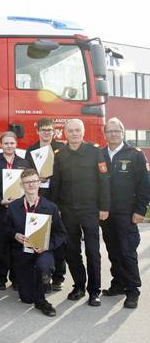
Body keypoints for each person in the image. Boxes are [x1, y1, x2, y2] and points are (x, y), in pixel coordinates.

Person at [50, 119, 110, 306]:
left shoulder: (95, 152)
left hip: (90, 210)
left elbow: (104, 181)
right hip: (68, 210)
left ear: (83, 132)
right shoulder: (60, 155)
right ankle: (79, 286)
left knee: (93, 252)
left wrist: (104, 207)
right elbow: (56, 184)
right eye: (70, 131)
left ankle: (94, 291)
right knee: (72, 251)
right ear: (65, 133)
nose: (74, 133)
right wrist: (55, 209)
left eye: (77, 130)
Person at [100, 118, 150, 309]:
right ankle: (118, 284)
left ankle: (132, 290)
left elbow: (144, 184)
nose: (113, 134)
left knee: (127, 252)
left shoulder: (135, 154)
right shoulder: (100, 154)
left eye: (116, 131)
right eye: (109, 131)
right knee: (113, 251)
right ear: (105, 134)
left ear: (122, 133)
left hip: (127, 213)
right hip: (107, 213)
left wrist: (140, 210)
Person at [5, 169, 67, 317]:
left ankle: (43, 300)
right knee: (26, 299)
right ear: (22, 185)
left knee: (43, 267)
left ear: (39, 183)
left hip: (43, 251)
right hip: (22, 253)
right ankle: (38, 283)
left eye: (34, 181)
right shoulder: (13, 207)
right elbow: (5, 228)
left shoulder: (51, 207)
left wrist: (47, 246)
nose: (31, 185)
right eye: (27, 182)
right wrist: (15, 235)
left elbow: (61, 234)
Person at [24, 117, 66, 292]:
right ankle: (42, 275)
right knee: (36, 236)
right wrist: (37, 177)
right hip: (37, 199)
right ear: (38, 131)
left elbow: (65, 173)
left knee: (57, 239)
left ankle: (58, 277)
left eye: (49, 130)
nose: (47, 133)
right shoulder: (31, 150)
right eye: (44, 130)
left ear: (54, 131)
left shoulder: (61, 148)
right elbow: (26, 172)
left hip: (56, 198)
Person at [0, 131, 30, 290]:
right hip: (0, 209)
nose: (9, 146)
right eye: (6, 143)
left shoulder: (24, 163)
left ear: (16, 144)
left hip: (19, 210)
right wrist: (0, 200)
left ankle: (16, 278)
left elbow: (28, 185)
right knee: (1, 244)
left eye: (12, 143)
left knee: (17, 244)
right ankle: (1, 277)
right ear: (1, 145)